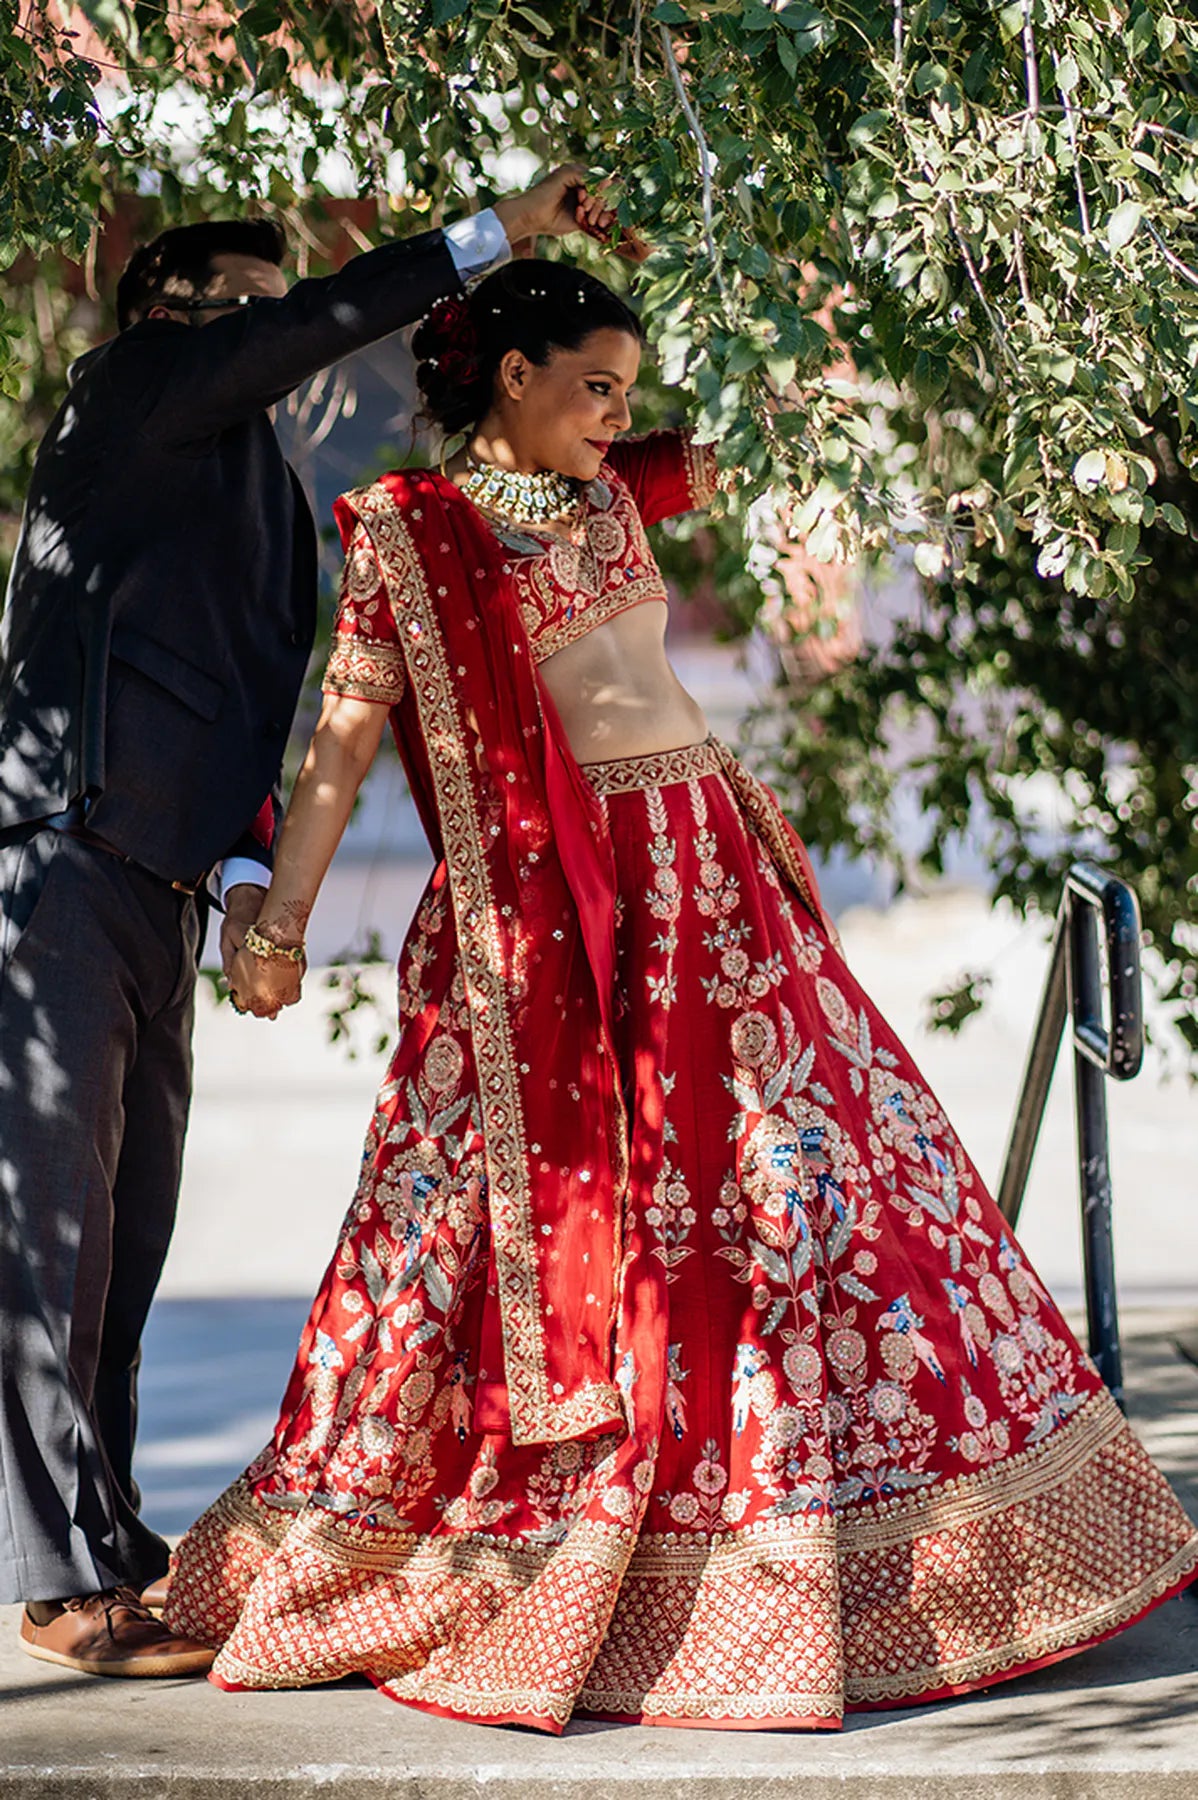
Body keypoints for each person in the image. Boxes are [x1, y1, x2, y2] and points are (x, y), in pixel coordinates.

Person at [164, 247, 1198, 1729]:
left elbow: (770, 433)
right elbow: (341, 740)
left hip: (709, 873)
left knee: (807, 1182)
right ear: (511, 375)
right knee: (501, 1216)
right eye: (594, 386)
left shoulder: (613, 492)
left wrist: (718, 270)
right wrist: (282, 920)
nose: (614, 415)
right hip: (559, 912)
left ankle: (850, 1528)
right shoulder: (414, 529)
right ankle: (539, 1539)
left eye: (626, 393)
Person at [0, 165, 617, 1678]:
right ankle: (57, 1581)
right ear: (171, 313)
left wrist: (252, 888)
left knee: (127, 1240)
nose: (277, 340)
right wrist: (495, 236)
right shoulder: (130, 391)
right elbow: (322, 322)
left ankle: (107, 1539)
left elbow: (253, 716)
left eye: (274, 316)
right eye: (247, 313)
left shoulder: (265, 503)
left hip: (162, 890)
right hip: (57, 863)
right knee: (52, 1241)